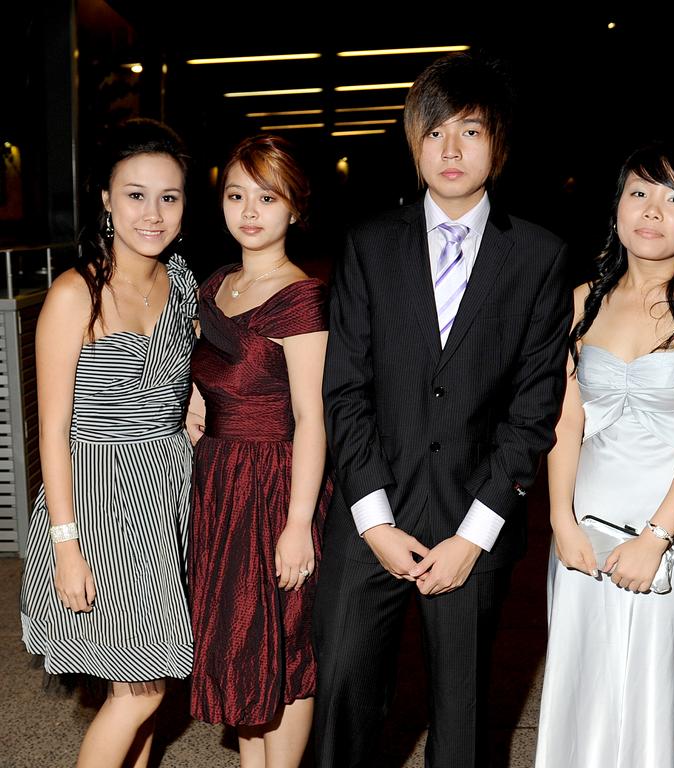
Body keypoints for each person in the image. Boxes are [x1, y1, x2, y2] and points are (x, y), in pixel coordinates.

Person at [314, 53, 572, 767]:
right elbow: (346, 388)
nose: (451, 150)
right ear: (412, 143)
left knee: (461, 718)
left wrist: (475, 534)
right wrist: (373, 519)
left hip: (472, 516)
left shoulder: (540, 258)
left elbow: (534, 405)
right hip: (372, 510)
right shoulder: (369, 244)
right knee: (340, 693)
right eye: (434, 133)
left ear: (500, 144)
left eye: (470, 131)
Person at [535, 140, 674, 768]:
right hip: (585, 519)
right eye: (639, 194)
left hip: (670, 520)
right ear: (618, 207)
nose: (652, 211)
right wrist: (560, 522)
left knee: (657, 685)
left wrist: (656, 535)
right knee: (581, 681)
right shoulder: (581, 301)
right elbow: (564, 420)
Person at [20, 118, 197, 768]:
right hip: (99, 499)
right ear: (106, 198)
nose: (153, 213)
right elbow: (54, 430)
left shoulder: (178, 283)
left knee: (150, 673)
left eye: (169, 196)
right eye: (136, 194)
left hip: (166, 493)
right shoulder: (74, 293)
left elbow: (179, 370)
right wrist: (67, 547)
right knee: (140, 691)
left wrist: (193, 402)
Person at [187, 134, 331, 768]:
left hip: (276, 482)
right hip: (219, 477)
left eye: (266, 198)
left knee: (286, 638)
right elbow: (210, 366)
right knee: (239, 639)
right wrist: (196, 396)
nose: (249, 211)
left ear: (294, 208)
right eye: (236, 195)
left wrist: (299, 523)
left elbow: (311, 416)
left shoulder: (303, 297)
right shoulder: (216, 283)